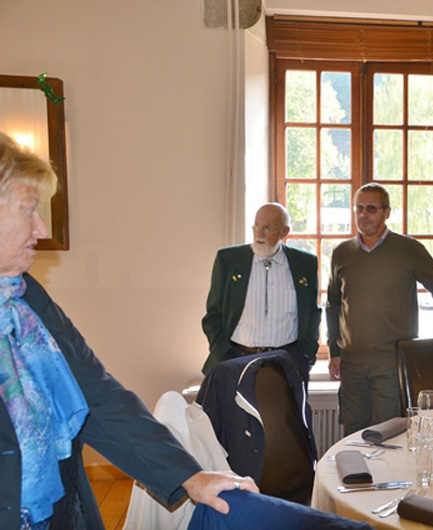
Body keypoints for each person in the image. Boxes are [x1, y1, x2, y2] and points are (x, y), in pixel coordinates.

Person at [0, 132, 258, 530]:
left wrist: (189, 476)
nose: (41, 228)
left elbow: (98, 396)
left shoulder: (26, 296)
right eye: (28, 210)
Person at [326, 183, 433, 435]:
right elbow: (333, 305)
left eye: (371, 209)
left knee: (389, 434)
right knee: (353, 434)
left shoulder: (409, 250)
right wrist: (334, 351)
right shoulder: (341, 253)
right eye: (358, 208)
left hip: (392, 364)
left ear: (387, 212)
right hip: (352, 365)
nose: (364, 214)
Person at [201, 203, 320, 383]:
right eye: (256, 225)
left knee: (285, 404)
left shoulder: (304, 263)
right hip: (237, 360)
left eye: (268, 228)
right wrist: (223, 354)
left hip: (287, 362)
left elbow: (312, 313)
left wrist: (306, 355)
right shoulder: (229, 260)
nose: (259, 233)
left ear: (284, 232)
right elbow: (213, 315)